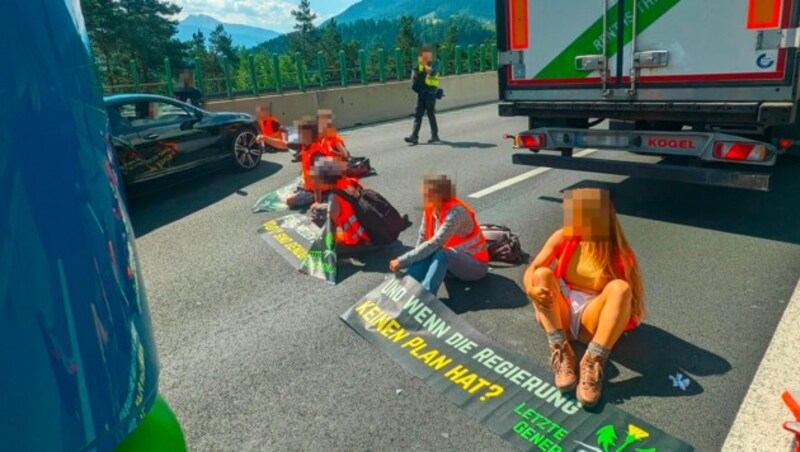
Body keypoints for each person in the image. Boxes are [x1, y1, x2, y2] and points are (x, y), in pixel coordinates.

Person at [522, 188, 644, 408]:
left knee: (621, 288)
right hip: (562, 314)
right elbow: (534, 268)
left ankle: (593, 360)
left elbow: (627, 302)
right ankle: (561, 349)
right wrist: (531, 291)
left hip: (592, 321)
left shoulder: (618, 253)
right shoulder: (564, 236)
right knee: (541, 275)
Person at [390, 175, 488, 294]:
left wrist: (402, 261)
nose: (424, 197)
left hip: (476, 266)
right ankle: (405, 286)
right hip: (453, 264)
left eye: (428, 194)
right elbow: (423, 238)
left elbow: (435, 243)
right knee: (426, 252)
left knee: (440, 253)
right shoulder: (431, 208)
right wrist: (412, 265)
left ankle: (424, 296)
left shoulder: (456, 213)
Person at [309, 157, 371, 251]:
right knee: (322, 209)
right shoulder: (351, 182)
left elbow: (331, 227)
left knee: (318, 214)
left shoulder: (334, 196)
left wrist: (328, 247)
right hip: (369, 226)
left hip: (358, 236)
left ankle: (358, 244)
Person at [405, 45, 441, 145]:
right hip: (421, 92)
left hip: (431, 92)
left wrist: (423, 66)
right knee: (418, 114)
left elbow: (433, 72)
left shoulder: (436, 62)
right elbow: (415, 71)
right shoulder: (421, 63)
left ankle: (435, 135)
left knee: (430, 114)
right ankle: (414, 136)